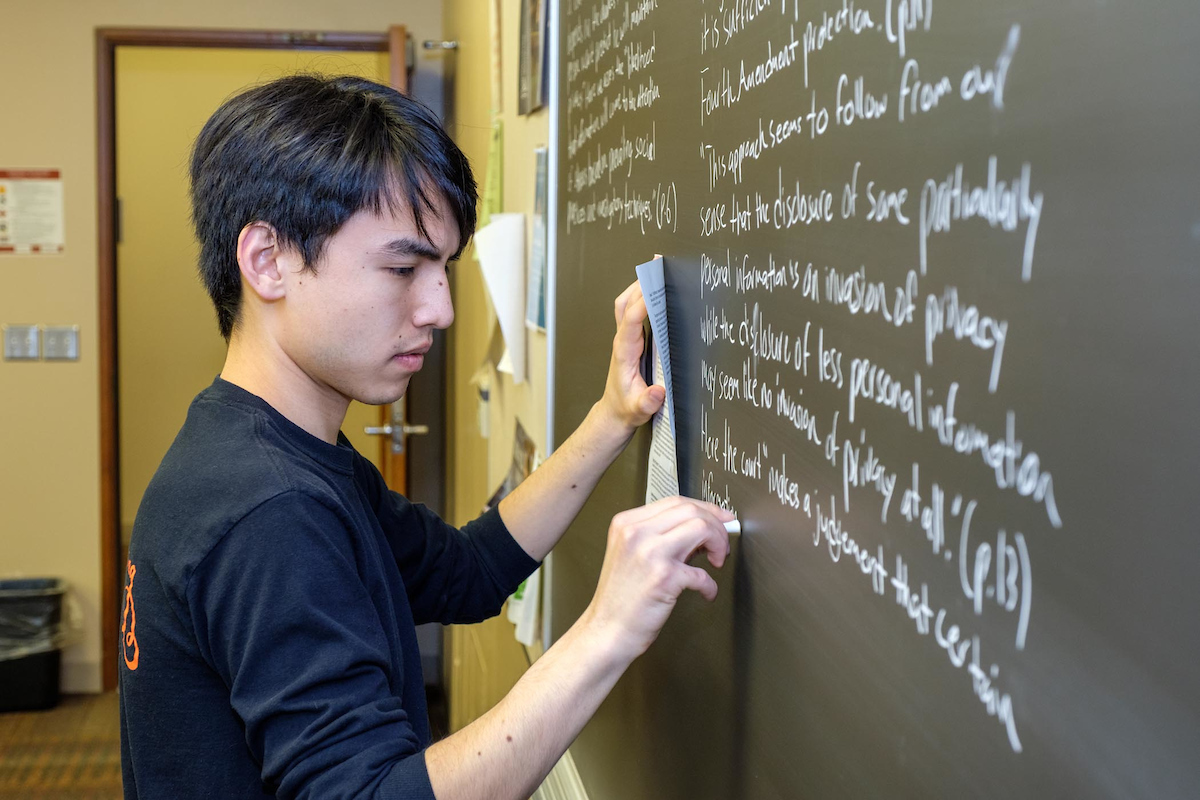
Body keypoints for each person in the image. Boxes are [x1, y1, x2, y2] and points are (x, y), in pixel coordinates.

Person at [118, 74, 733, 800]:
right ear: (267, 261)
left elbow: (467, 571)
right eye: (404, 267)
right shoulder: (267, 510)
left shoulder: (268, 447)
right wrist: (609, 627)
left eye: (443, 269)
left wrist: (611, 417)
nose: (439, 307)